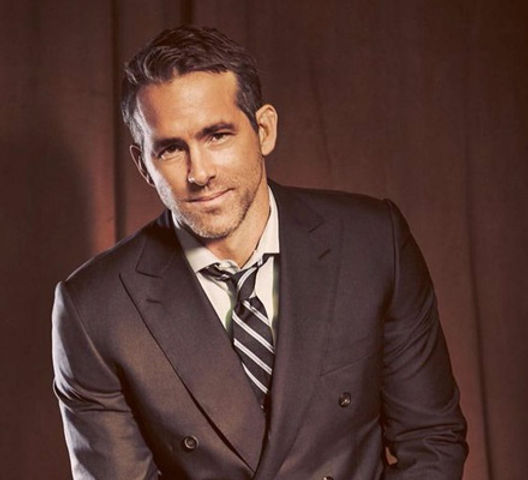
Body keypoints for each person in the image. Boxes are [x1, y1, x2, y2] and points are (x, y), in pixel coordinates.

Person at [52, 25, 467, 479]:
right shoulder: (96, 309)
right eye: (171, 149)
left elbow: (431, 440)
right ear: (143, 165)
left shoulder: (371, 242)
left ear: (264, 130)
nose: (199, 173)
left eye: (217, 135)